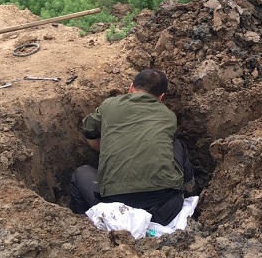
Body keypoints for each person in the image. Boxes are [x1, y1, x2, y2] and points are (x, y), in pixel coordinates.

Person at [70, 68, 194, 226]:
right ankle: (190, 193)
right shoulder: (168, 116)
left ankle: (86, 227)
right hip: (164, 211)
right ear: (161, 97)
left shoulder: (109, 105)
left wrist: (106, 149)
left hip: (116, 213)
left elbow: (89, 131)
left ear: (130, 87)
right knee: (177, 145)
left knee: (80, 174)